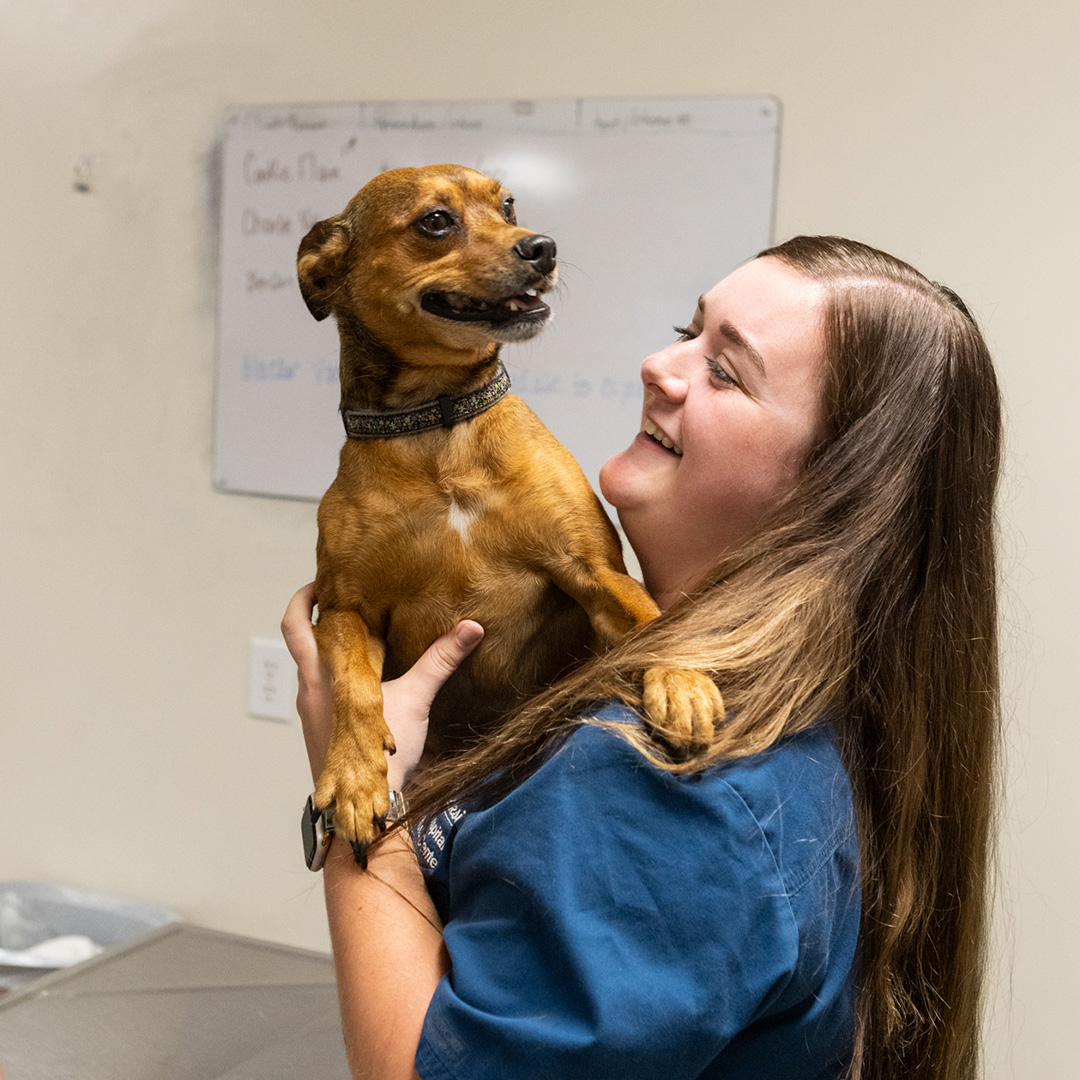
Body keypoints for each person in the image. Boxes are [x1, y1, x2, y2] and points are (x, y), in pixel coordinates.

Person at [282, 236, 1002, 1080]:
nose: (658, 365)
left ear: (833, 484)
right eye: (684, 331)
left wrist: (359, 810)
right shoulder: (802, 698)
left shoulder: (668, 775)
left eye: (725, 372)